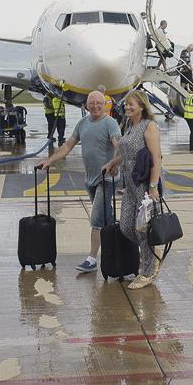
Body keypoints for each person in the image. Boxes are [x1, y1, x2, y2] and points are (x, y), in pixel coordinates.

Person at [37, 91, 121, 274]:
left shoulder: (110, 123)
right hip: (90, 179)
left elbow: (119, 147)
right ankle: (115, 249)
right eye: (92, 103)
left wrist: (113, 163)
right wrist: (49, 161)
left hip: (107, 179)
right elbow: (68, 146)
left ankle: (91, 259)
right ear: (86, 105)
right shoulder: (82, 123)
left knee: (97, 219)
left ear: (105, 104)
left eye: (99, 103)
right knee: (106, 218)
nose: (96, 106)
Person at [102, 91, 163, 290]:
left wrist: (153, 187)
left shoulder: (149, 126)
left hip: (145, 185)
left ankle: (146, 272)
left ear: (142, 106)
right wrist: (113, 162)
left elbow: (156, 159)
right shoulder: (130, 125)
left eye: (132, 105)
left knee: (142, 228)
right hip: (129, 184)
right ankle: (153, 252)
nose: (127, 108)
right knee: (127, 226)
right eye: (126, 105)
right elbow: (126, 151)